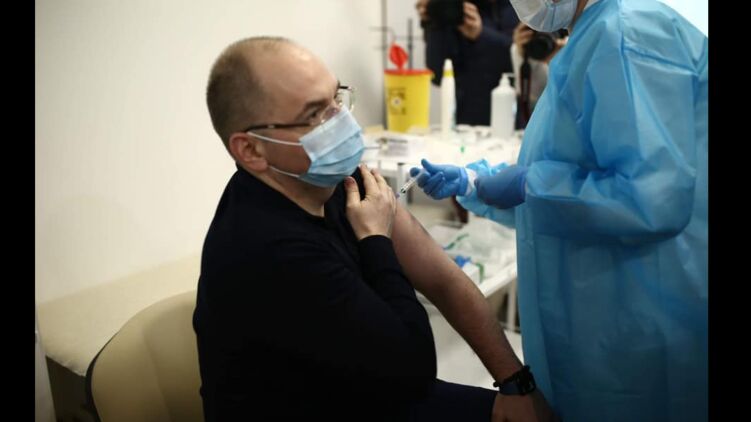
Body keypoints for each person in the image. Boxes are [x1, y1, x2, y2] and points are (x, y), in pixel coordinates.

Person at [193, 36, 556, 421]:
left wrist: (516, 383)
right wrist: (375, 239)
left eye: (336, 98)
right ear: (251, 149)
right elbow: (414, 370)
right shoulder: (268, 249)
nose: (340, 121)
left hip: (359, 385)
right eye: (314, 114)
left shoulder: (334, 179)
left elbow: (442, 279)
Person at [409, 0, 708, 420]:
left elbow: (648, 199)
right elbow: (576, 184)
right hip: (601, 318)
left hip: (638, 328)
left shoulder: (627, 30)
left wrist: (529, 186)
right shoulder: (593, 36)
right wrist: (476, 184)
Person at [417, 0, 519, 126]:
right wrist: (434, 19)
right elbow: (437, 75)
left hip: (514, 119)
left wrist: (481, 34)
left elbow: (527, 61)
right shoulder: (455, 7)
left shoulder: (523, 8)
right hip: (466, 123)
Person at [509, 23, 566, 128]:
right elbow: (530, 95)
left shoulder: (571, 45)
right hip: (537, 123)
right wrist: (523, 55)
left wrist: (565, 59)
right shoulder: (524, 48)